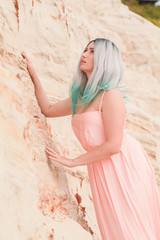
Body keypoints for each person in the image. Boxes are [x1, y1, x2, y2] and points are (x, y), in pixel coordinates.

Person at [21, 38, 160, 240]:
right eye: (85, 50)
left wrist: (73, 161)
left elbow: (114, 145)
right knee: (114, 227)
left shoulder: (110, 95)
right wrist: (33, 73)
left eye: (92, 51)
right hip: (100, 166)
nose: (84, 54)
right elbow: (48, 109)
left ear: (105, 60)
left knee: (131, 226)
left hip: (124, 164)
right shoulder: (81, 97)